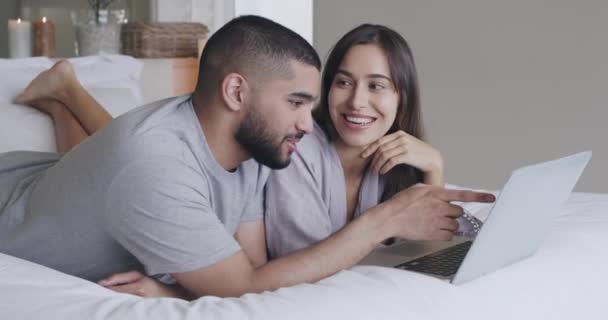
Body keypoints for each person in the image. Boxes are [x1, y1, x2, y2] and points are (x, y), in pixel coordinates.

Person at [1, 16, 494, 299]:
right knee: (121, 163)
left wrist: (176, 290)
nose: (309, 121)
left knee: (94, 172)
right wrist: (381, 221)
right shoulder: (155, 167)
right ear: (237, 91)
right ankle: (62, 92)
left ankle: (59, 95)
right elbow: (244, 285)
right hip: (11, 212)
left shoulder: (254, 152)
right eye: (297, 103)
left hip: (52, 179)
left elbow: (251, 268)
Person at [265, 24, 469, 258]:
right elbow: (302, 265)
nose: (356, 102)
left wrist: (434, 168)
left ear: (401, 98)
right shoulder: (297, 147)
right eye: (344, 82)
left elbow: (428, 260)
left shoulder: (403, 162)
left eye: (376, 86)